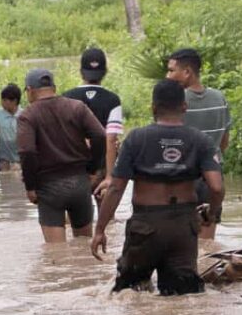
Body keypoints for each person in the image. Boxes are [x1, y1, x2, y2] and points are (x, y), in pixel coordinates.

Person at [91, 79, 224, 295]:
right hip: (183, 228)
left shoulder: (136, 139)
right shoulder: (200, 140)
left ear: (153, 108)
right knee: (182, 297)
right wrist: (210, 212)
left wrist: (100, 229)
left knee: (130, 294)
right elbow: (217, 188)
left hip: (146, 226)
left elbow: (115, 189)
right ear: (184, 107)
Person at [17, 68, 106, 243]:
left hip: (49, 188)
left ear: (29, 90)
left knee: (56, 252)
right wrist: (93, 169)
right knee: (84, 247)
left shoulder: (28, 115)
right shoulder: (77, 107)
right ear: (54, 87)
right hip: (80, 184)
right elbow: (100, 135)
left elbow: (27, 151)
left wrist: (30, 186)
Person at [165, 48, 232, 240]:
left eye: (171, 70)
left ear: (187, 72)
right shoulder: (220, 98)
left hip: (183, 178)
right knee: (207, 245)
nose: (167, 75)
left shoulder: (175, 102)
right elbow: (224, 141)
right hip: (214, 177)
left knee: (180, 245)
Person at [63, 48, 123, 193]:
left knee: (75, 213)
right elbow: (111, 139)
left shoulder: (66, 97)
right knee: (105, 214)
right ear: (105, 72)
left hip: (74, 169)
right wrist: (109, 176)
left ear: (81, 71)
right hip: (101, 167)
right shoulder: (112, 100)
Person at [0, 84, 22, 171]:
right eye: (2, 99)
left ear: (14, 101)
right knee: (4, 174)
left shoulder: (23, 115)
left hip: (19, 152)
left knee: (17, 174)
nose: (2, 102)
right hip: (4, 151)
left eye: (5, 100)